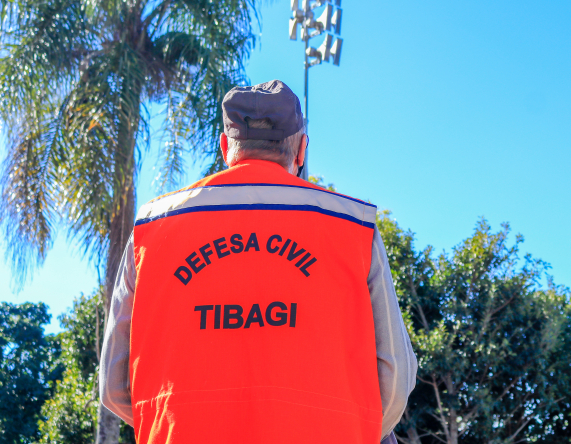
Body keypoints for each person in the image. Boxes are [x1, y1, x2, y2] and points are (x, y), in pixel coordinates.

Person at [99, 80, 417, 444]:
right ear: (301, 150)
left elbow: (114, 384)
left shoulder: (153, 226)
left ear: (225, 147)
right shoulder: (352, 225)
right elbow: (394, 379)